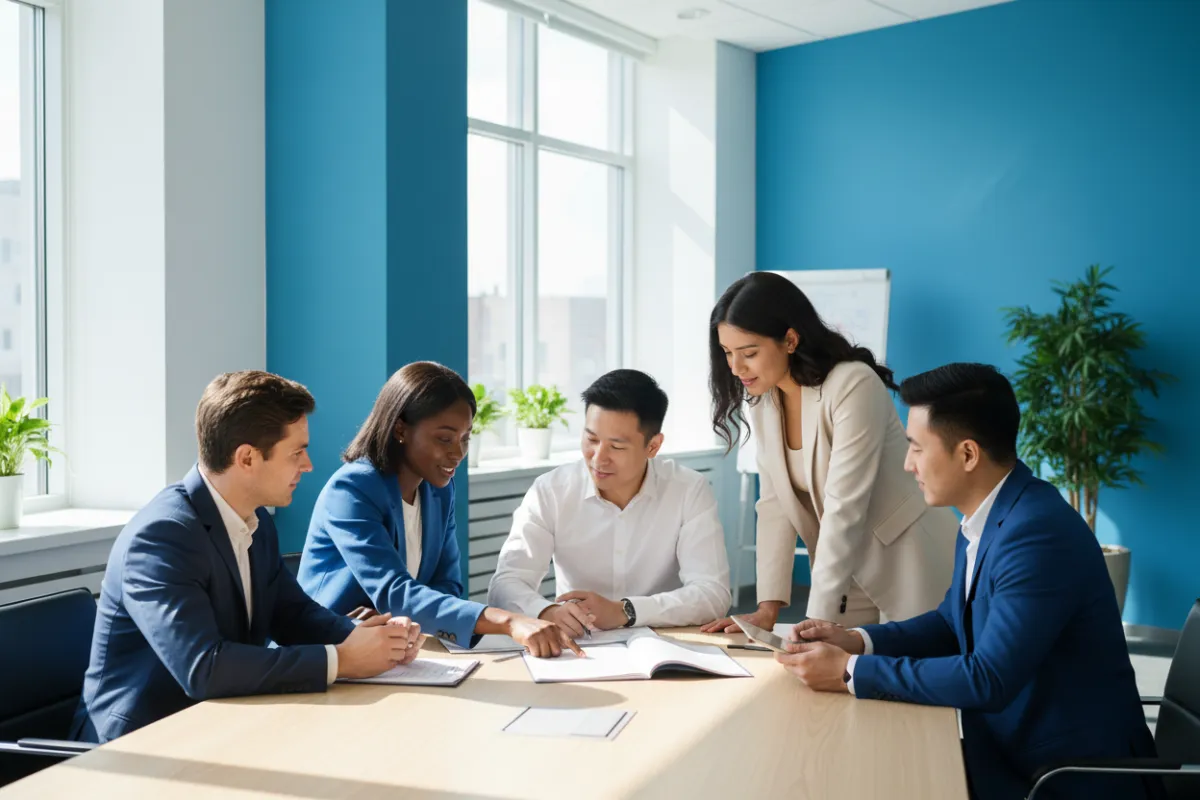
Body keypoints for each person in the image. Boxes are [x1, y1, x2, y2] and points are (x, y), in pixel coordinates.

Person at [778, 363, 1161, 800]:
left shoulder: (1036, 534)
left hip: (1066, 775)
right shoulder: (990, 516)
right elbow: (950, 623)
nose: (908, 465)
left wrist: (849, 672)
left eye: (917, 449)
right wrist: (858, 642)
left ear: (967, 454)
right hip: (1010, 748)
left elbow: (989, 677)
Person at [72, 372, 417, 743]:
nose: (308, 465)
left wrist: (376, 640)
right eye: (297, 452)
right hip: (138, 748)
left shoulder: (254, 520)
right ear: (248, 457)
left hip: (221, 728)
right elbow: (204, 667)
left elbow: (292, 614)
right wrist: (342, 659)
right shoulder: (161, 537)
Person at [702, 272, 958, 634]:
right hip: (844, 568)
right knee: (829, 680)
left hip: (907, 558)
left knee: (903, 678)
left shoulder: (852, 384)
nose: (735, 367)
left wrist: (817, 614)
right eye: (727, 353)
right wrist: (767, 608)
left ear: (790, 339)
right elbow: (774, 504)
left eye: (749, 353)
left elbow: (845, 503)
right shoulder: (764, 402)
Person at [298, 362, 582, 658]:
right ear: (400, 429)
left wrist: (407, 621)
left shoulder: (438, 489)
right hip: (324, 652)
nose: (458, 453)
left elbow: (447, 584)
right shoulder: (353, 488)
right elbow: (395, 592)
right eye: (444, 439)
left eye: (465, 439)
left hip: (391, 654)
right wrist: (509, 620)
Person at [488, 369, 731, 632]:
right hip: (580, 643)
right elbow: (506, 583)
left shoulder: (688, 489)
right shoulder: (551, 491)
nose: (598, 458)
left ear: (653, 446)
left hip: (663, 641)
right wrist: (546, 611)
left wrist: (625, 611)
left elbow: (712, 593)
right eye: (591, 439)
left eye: (616, 447)